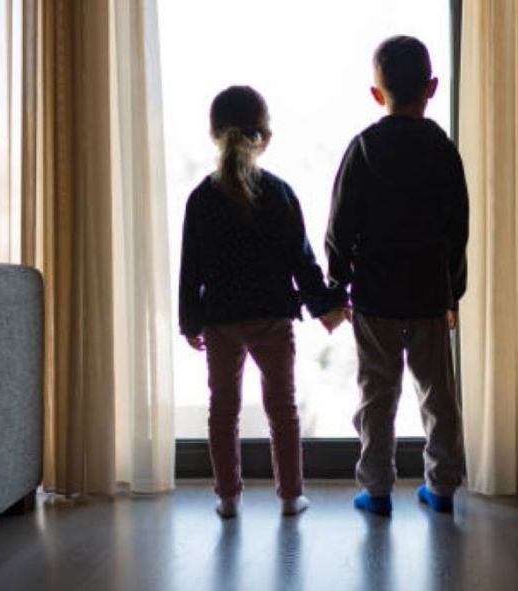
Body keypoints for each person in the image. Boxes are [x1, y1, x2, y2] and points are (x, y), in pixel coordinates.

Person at [179, 86, 347, 518]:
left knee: (223, 410)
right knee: (282, 409)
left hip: (220, 321)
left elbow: (190, 269)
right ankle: (291, 496)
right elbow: (302, 261)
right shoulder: (279, 193)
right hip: (272, 317)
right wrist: (326, 305)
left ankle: (228, 497)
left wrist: (190, 321)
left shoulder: (201, 198)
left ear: (214, 133)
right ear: (265, 137)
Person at [325, 36, 469, 516]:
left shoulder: (363, 148)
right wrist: (454, 292)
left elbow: (340, 227)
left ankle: (378, 488)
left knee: (377, 393)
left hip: (375, 295)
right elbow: (457, 227)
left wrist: (337, 285)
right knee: (437, 394)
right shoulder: (442, 150)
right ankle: (442, 486)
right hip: (429, 291)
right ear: (432, 87)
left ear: (375, 93)